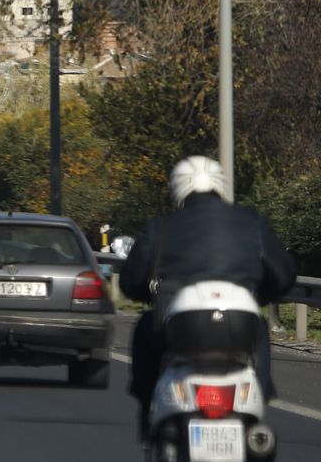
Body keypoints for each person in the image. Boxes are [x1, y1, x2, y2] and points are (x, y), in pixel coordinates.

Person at [119, 156, 296, 439]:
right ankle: (259, 398)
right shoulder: (251, 221)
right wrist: (260, 297)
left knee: (144, 328)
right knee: (260, 329)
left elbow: (131, 280)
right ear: (221, 185)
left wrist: (147, 296)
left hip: (183, 325)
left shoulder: (162, 227)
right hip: (241, 320)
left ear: (177, 188)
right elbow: (284, 273)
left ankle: (148, 409)